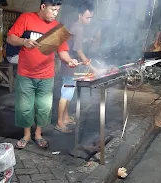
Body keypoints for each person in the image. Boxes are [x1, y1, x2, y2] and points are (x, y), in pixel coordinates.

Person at [7, 0, 78, 149]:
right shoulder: (26, 18)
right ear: (43, 6)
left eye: (57, 10)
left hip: (46, 75)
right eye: (53, 10)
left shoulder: (57, 28)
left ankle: (38, 134)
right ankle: (26, 135)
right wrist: (24, 41)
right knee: (25, 106)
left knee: (43, 107)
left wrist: (69, 61)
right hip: (25, 73)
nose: (55, 13)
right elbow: (10, 38)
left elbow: (62, 51)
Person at [55, 2, 99, 133]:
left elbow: (73, 42)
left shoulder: (75, 25)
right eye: (87, 17)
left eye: (91, 17)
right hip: (69, 63)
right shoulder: (78, 28)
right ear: (80, 15)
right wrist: (92, 68)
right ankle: (59, 122)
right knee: (67, 92)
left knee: (69, 91)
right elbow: (78, 50)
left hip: (68, 62)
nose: (89, 20)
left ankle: (66, 117)